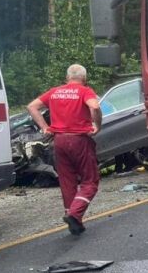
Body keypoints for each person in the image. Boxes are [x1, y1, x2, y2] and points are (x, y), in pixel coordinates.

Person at [27, 64, 102, 236]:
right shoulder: (84, 91)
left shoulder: (54, 92)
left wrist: (45, 127)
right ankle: (75, 214)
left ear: (67, 77)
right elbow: (95, 106)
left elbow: (32, 106)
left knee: (67, 181)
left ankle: (72, 216)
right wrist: (97, 125)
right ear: (84, 78)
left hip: (59, 141)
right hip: (79, 140)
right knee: (90, 181)